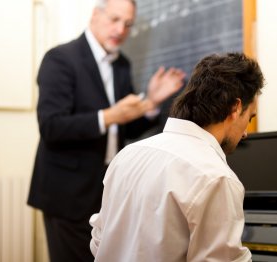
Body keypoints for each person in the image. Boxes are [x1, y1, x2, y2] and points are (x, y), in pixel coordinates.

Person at [89, 53, 277, 262]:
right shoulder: (214, 176)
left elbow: (99, 241)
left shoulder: (128, 155)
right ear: (235, 108)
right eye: (249, 119)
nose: (246, 133)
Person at [27, 0, 186, 261]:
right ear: (95, 15)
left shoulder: (121, 63)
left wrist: (152, 103)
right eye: (114, 19)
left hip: (106, 189)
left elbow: (125, 128)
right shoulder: (60, 58)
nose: (120, 29)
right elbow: (51, 126)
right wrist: (111, 115)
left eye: (127, 24)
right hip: (67, 192)